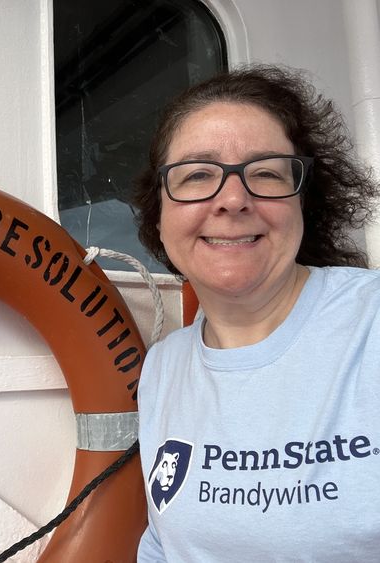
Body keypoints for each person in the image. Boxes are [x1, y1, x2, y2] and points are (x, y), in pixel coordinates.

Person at [131, 64, 380, 561]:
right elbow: (162, 543)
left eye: (265, 172)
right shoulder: (163, 367)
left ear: (303, 205)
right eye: (198, 174)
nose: (232, 200)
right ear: (159, 214)